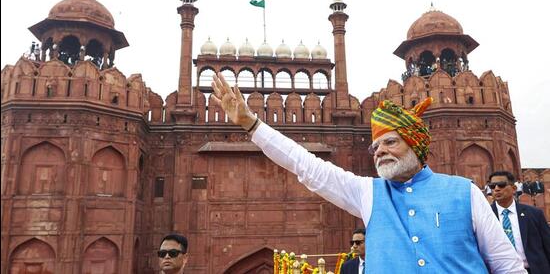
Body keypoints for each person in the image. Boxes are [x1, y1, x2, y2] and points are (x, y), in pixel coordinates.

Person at [211, 74, 525, 273]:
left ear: (416, 144)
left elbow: (507, 266)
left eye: (390, 142)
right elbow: (306, 165)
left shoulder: (463, 192)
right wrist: (251, 124)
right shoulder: (369, 193)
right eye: (375, 147)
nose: (380, 151)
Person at [489, 171, 550, 274]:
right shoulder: (486, 216)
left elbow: (548, 245)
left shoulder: (534, 214)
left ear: (514, 188)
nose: (496, 189)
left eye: (501, 185)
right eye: (492, 186)